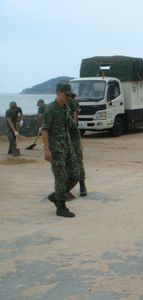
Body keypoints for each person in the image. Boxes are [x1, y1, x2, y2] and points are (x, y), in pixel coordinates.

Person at [42, 81, 80, 218]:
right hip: (56, 149)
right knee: (61, 177)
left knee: (76, 175)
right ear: (58, 93)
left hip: (67, 147)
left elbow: (70, 126)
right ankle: (61, 207)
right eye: (66, 94)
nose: (68, 97)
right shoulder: (50, 109)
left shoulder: (66, 107)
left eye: (69, 94)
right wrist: (46, 150)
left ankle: (56, 196)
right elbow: (45, 130)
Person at [68, 93, 87, 196]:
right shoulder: (57, 105)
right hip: (64, 135)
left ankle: (82, 185)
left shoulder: (71, 102)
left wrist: (74, 127)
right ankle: (65, 188)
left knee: (78, 161)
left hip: (73, 134)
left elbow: (75, 114)